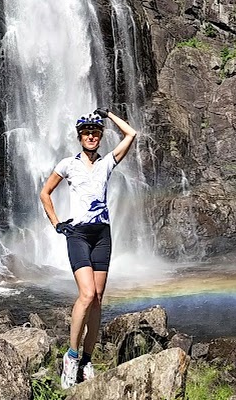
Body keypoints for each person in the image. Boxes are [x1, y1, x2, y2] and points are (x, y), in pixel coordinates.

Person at [39, 106, 138, 389]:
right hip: (78, 235)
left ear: (100, 136)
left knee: (97, 300)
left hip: (102, 236)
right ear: (80, 137)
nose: (91, 136)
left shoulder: (107, 162)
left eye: (95, 132)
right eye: (86, 133)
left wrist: (107, 115)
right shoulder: (67, 164)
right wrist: (57, 224)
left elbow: (131, 133)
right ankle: (71, 356)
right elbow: (45, 193)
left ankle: (87, 360)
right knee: (86, 293)